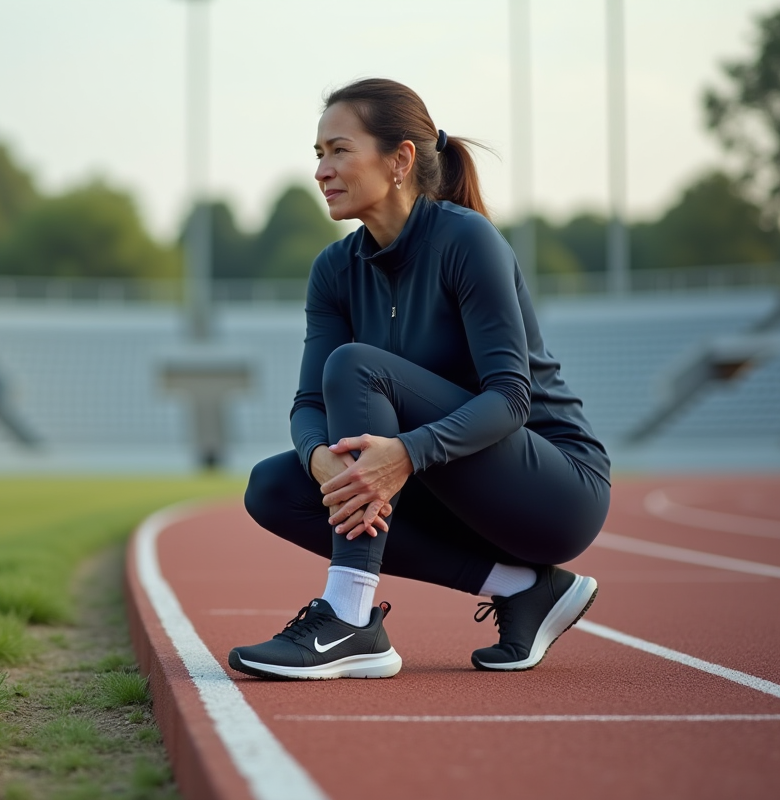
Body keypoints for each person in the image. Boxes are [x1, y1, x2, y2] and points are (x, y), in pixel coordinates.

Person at [229, 78, 611, 680]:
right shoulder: (333, 270)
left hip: (553, 490)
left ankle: (349, 615)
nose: (322, 170)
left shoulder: (466, 239)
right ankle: (521, 588)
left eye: (338, 150)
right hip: (450, 489)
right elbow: (307, 405)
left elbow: (511, 398)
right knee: (273, 488)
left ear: (401, 158)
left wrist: (406, 454)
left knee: (356, 364)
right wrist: (317, 460)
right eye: (317, 154)